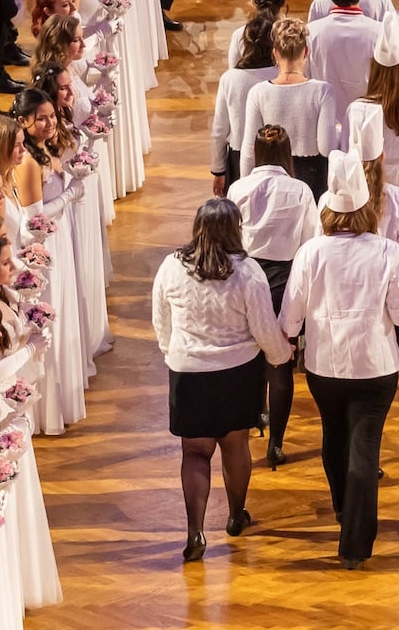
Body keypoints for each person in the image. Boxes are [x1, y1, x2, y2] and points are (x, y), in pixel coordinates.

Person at [280, 150, 399, 568]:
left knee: (334, 437)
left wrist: (283, 343)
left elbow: (291, 315)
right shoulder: (388, 251)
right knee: (365, 448)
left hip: (326, 366)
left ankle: (344, 509)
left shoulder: (311, 253)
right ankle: (355, 541)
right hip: (375, 366)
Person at [152, 196, 291, 561]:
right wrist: (279, 357)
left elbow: (161, 318)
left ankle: (195, 530)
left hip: (189, 372)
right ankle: (234, 514)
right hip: (236, 372)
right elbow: (263, 326)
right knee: (235, 447)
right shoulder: (247, 271)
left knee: (195, 454)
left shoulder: (171, 266)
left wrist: (172, 353)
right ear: (236, 231)